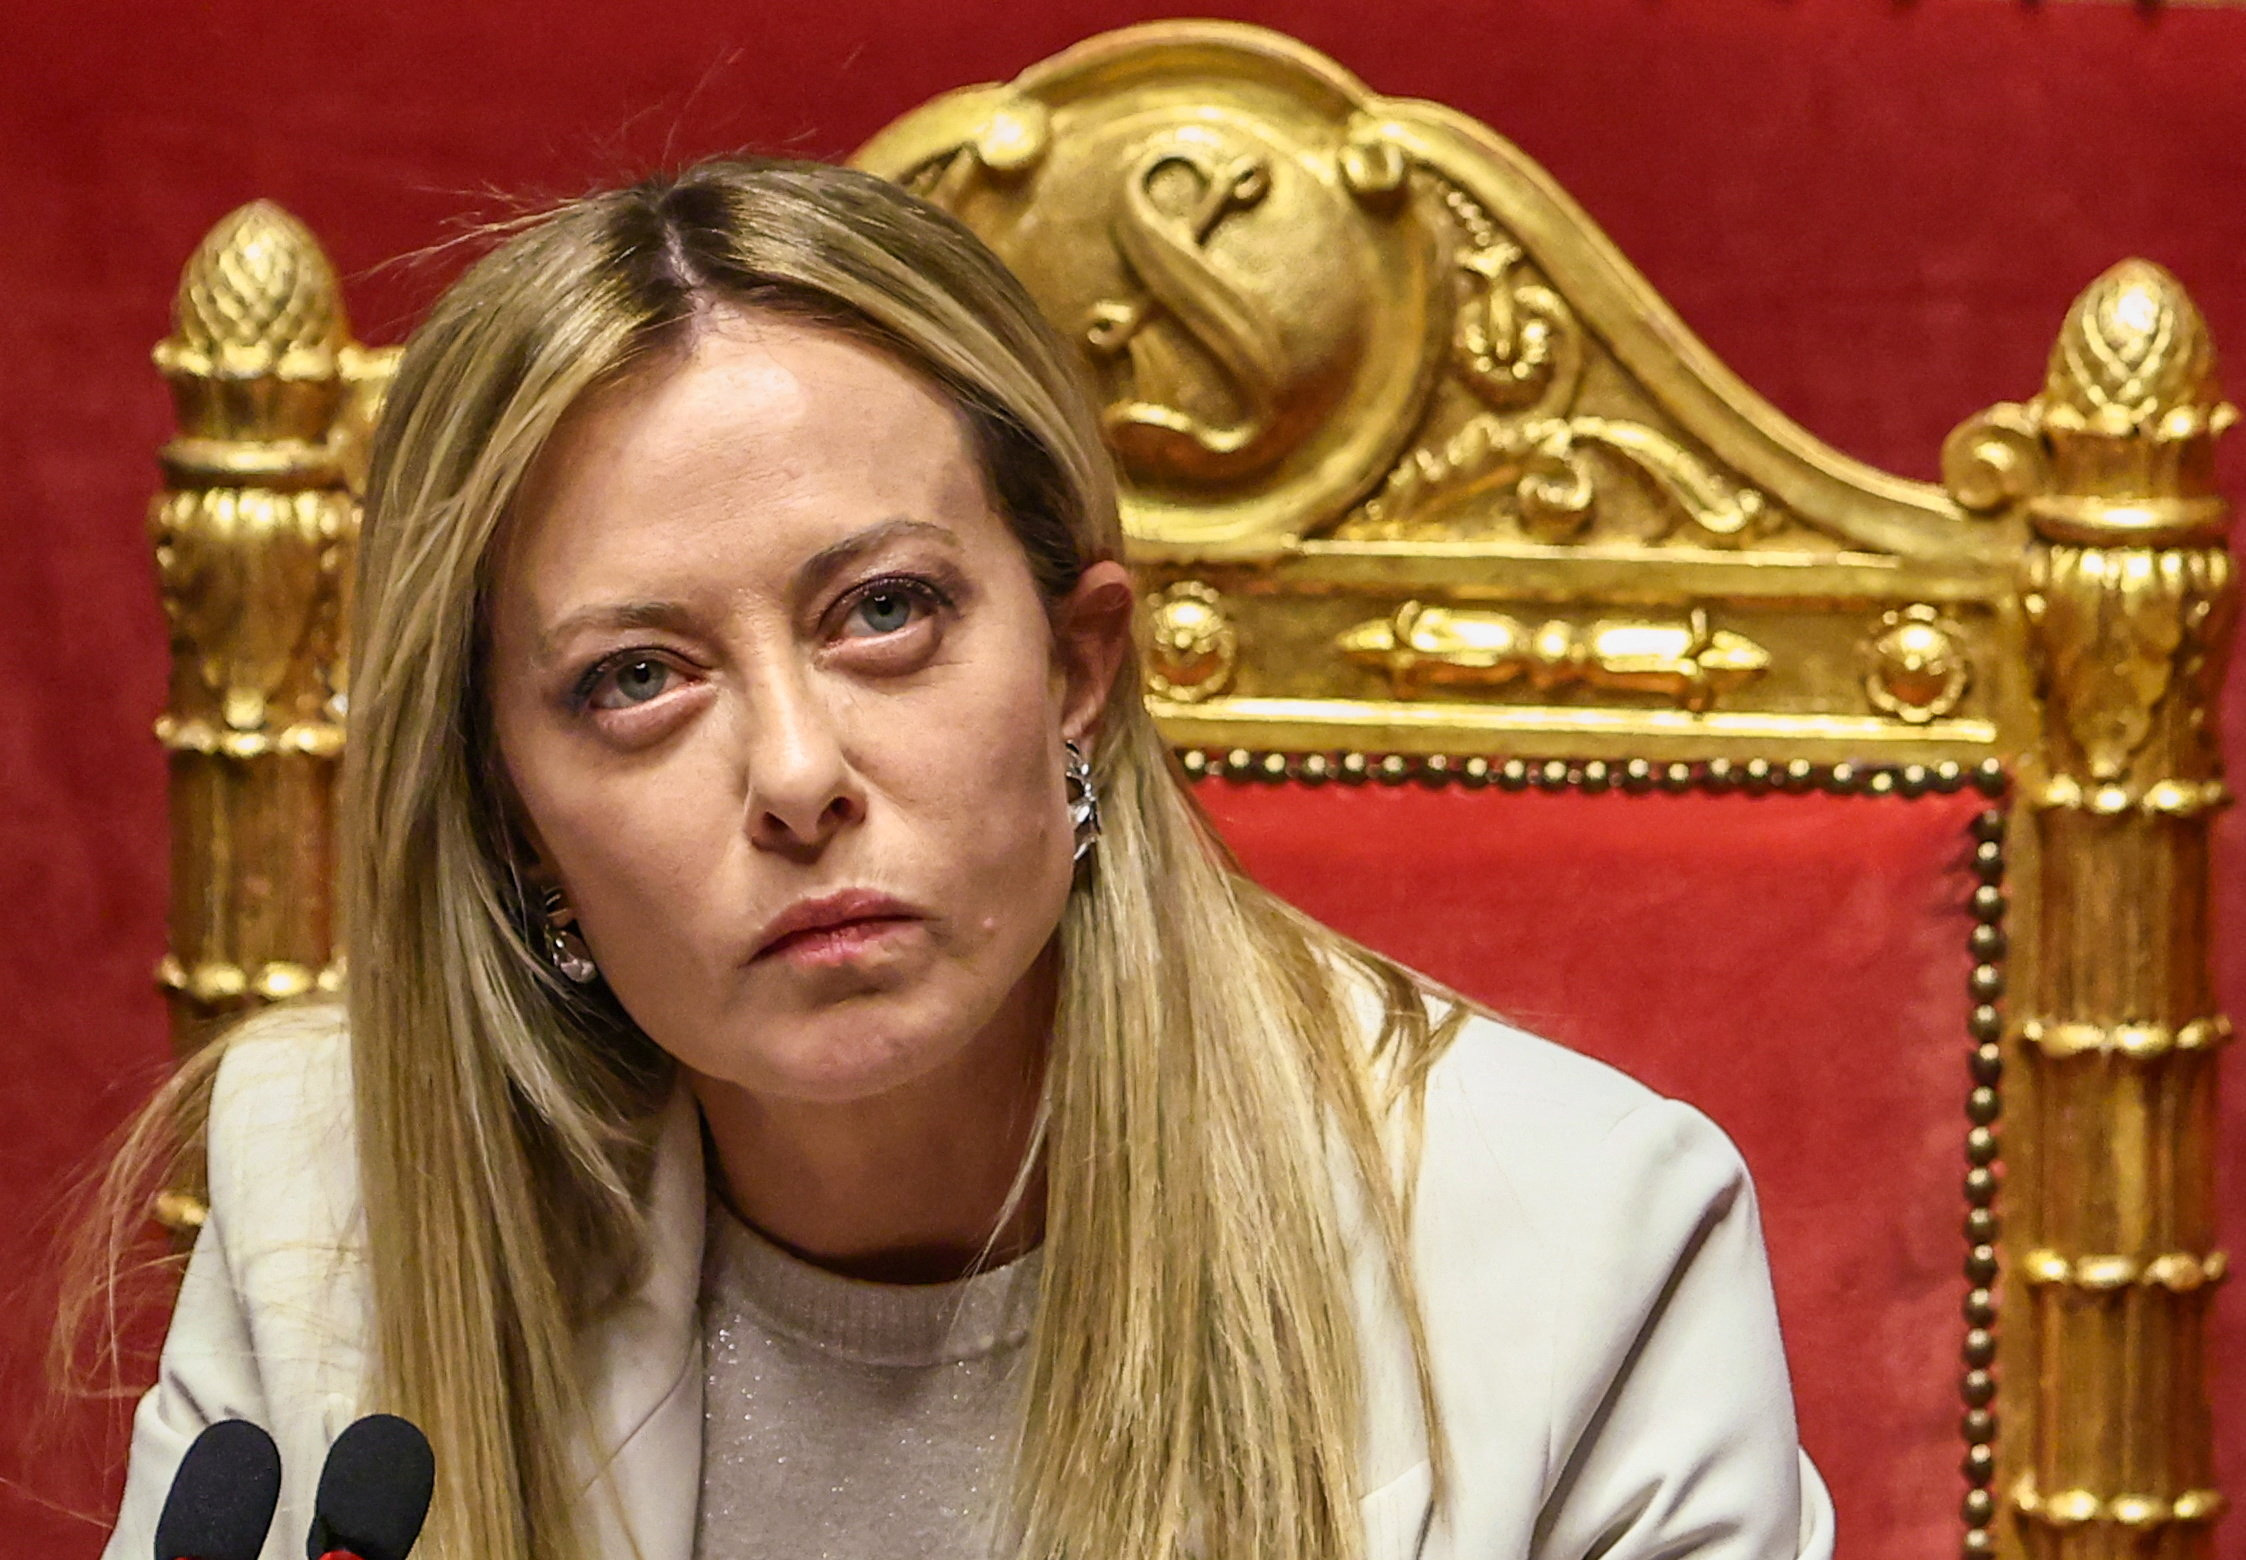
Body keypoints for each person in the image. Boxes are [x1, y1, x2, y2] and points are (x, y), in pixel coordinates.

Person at [93, 158, 1833, 1560]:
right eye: (636, 679)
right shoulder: (328, 1192)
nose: (793, 774)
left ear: (1078, 670)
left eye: (884, 614)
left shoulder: (1580, 1244)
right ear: (508, 811)